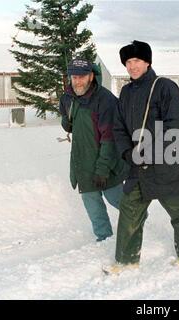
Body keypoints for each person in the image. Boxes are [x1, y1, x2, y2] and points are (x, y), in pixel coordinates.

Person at [106, 40, 179, 274]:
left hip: (165, 162)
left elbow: (174, 126)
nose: (132, 66)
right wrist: (128, 152)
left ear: (147, 62)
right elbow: (119, 129)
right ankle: (126, 260)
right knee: (129, 210)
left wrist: (148, 150)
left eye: (136, 60)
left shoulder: (164, 87)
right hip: (137, 164)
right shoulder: (125, 92)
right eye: (128, 62)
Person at [59, 58, 128, 242]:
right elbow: (69, 125)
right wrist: (66, 119)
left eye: (82, 77)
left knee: (117, 199)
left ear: (91, 76)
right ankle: (104, 237)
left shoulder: (105, 100)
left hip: (107, 161)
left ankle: (138, 220)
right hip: (83, 161)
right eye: (74, 77)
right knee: (92, 203)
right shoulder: (68, 97)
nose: (77, 81)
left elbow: (110, 138)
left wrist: (103, 169)